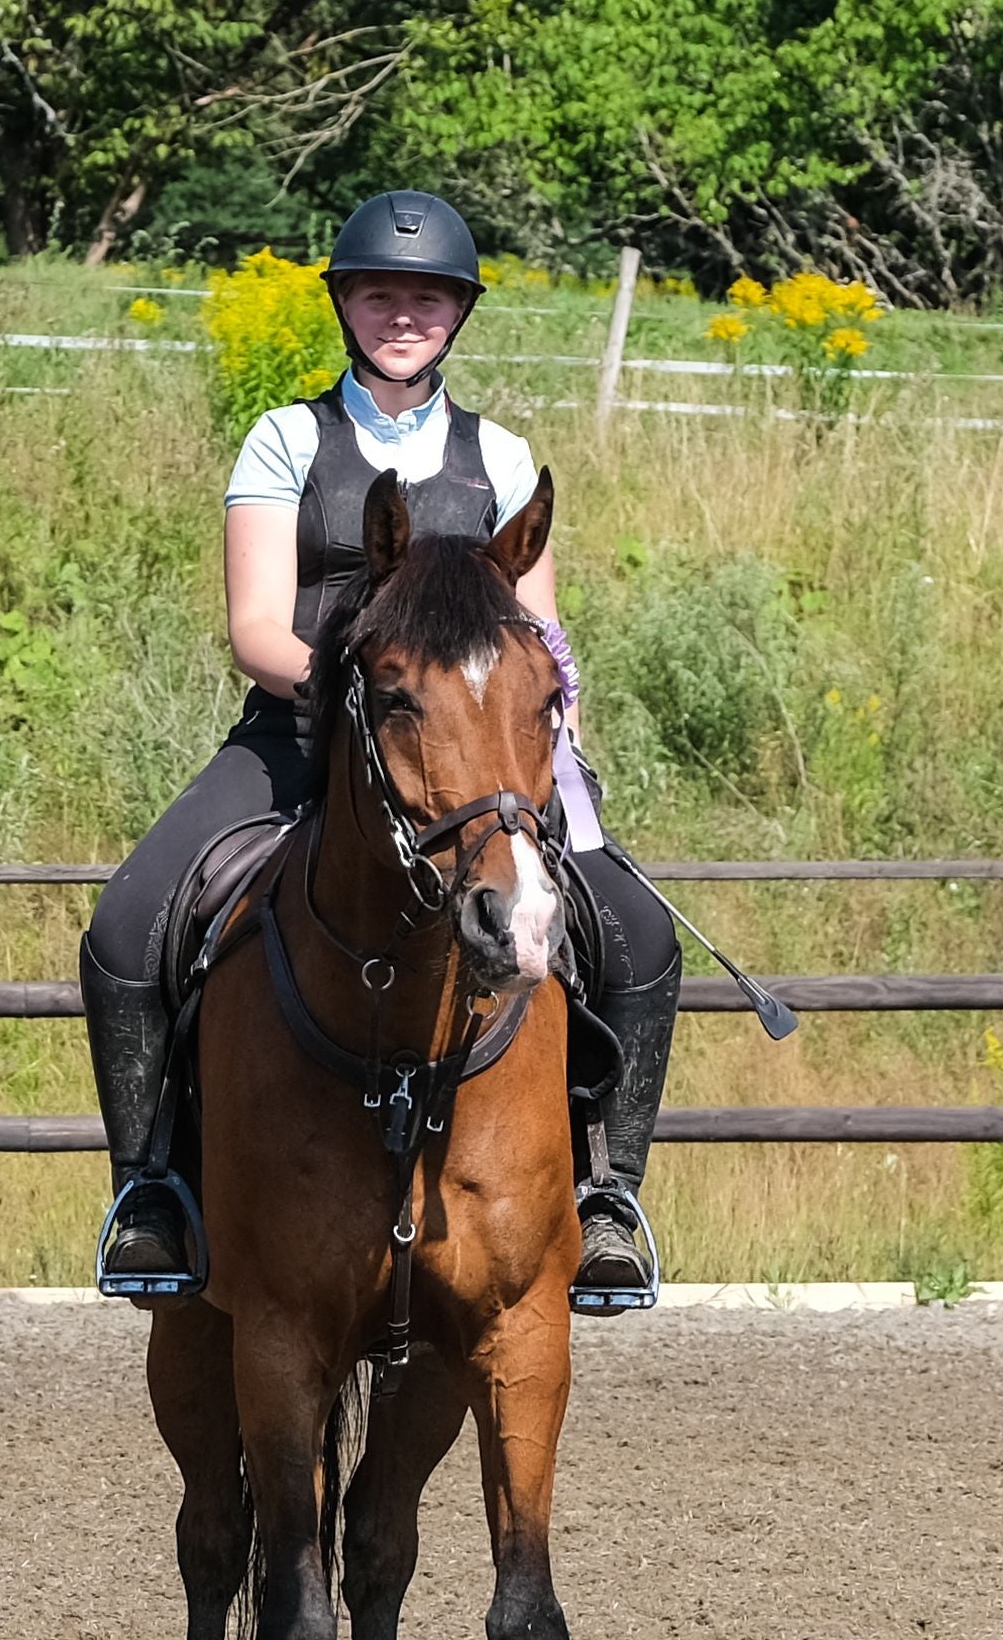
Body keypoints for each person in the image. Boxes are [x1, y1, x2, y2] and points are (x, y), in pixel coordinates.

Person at [75, 190, 686, 1309]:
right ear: (344, 305)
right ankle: (148, 1192)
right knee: (124, 927)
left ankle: (606, 1198)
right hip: (303, 728)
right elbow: (257, 623)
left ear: (454, 312)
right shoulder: (287, 437)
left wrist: (555, 740)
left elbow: (536, 632)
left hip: (475, 756)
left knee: (639, 936)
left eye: (423, 296)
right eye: (378, 293)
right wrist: (358, 696)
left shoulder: (499, 455)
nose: (400, 314)